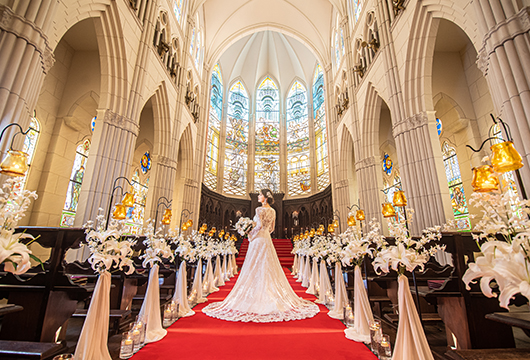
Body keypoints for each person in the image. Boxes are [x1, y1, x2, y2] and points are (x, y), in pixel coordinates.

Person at [203, 189, 319, 323]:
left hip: (257, 240)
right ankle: (269, 295)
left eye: (260, 195)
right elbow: (271, 229)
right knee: (268, 266)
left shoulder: (259, 210)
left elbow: (258, 226)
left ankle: (255, 297)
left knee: (253, 266)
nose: (258, 197)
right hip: (266, 240)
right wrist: (259, 231)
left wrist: (249, 233)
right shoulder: (274, 211)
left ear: (265, 197)